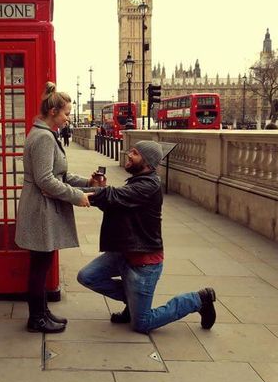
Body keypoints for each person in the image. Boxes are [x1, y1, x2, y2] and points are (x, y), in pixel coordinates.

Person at [77, 140, 217, 333]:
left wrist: (68, 194)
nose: (129, 154)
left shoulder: (148, 185)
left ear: (148, 162)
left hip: (144, 263)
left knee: (142, 323)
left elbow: (114, 196)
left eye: (135, 153)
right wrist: (101, 189)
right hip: (124, 253)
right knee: (87, 276)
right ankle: (133, 303)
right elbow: (115, 202)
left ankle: (198, 299)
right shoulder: (138, 182)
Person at [15, 82, 100, 333]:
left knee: (43, 263)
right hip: (40, 209)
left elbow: (58, 174)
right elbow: (45, 179)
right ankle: (36, 319)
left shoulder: (45, 134)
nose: (67, 118)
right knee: (39, 266)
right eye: (65, 113)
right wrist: (77, 197)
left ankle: (42, 312)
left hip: (44, 205)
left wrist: (87, 182)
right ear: (53, 112)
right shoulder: (42, 137)